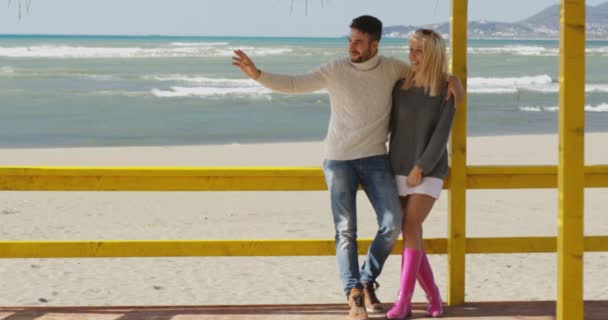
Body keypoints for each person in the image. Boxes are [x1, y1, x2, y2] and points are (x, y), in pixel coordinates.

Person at [232, 16, 463, 320]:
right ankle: (355, 292)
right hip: (339, 158)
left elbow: (428, 72)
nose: (352, 47)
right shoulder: (335, 70)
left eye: (358, 42)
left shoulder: (393, 70)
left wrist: (454, 79)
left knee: (394, 223)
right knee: (346, 230)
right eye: (350, 40)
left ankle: (370, 280)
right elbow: (294, 84)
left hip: (377, 159)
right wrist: (257, 74)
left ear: (374, 45)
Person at [385, 28, 456, 319]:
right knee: (409, 231)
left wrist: (421, 167)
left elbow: (442, 134)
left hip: (430, 167)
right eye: (410, 49)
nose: (412, 56)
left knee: (411, 225)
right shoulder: (400, 86)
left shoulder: (447, 89)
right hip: (397, 165)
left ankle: (404, 302)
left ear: (433, 54)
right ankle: (433, 294)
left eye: (419, 50)